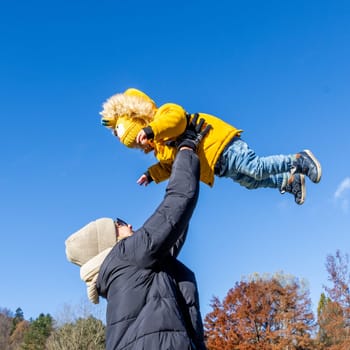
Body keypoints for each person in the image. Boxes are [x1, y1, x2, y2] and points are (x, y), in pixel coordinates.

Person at [66, 116, 210, 350]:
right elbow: (176, 204)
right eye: (119, 223)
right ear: (108, 240)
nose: (129, 225)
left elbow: (174, 226)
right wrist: (186, 146)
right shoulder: (125, 256)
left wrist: (177, 162)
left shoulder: (121, 273)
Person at [100, 88, 322, 205]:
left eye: (141, 134)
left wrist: (152, 130)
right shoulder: (161, 149)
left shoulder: (164, 115)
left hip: (222, 145)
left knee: (256, 168)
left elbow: (176, 121)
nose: (145, 141)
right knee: (251, 183)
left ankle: (299, 160)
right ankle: (289, 180)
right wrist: (151, 174)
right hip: (218, 166)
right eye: (142, 142)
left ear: (141, 120)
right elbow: (170, 166)